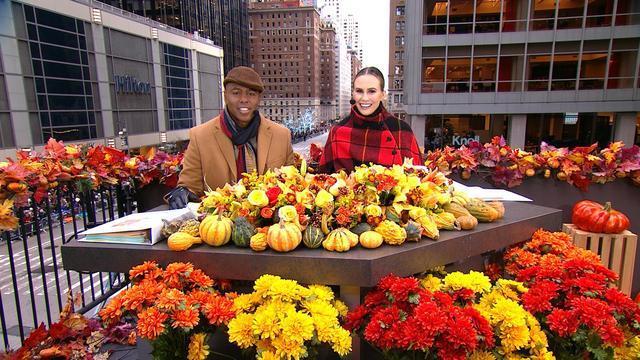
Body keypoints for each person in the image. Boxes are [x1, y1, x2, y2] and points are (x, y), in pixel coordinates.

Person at [166, 66, 295, 209]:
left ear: (259, 98)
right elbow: (190, 186)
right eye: (236, 93)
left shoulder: (281, 135)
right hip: (219, 224)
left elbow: (291, 186)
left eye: (251, 94)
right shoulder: (200, 136)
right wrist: (182, 192)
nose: (244, 99)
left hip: (269, 227)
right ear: (225, 95)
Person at [317, 67, 422, 174]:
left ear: (383, 95)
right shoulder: (337, 131)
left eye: (372, 91)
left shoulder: (401, 130)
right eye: (359, 91)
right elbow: (322, 178)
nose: (365, 98)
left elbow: (418, 177)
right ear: (353, 93)